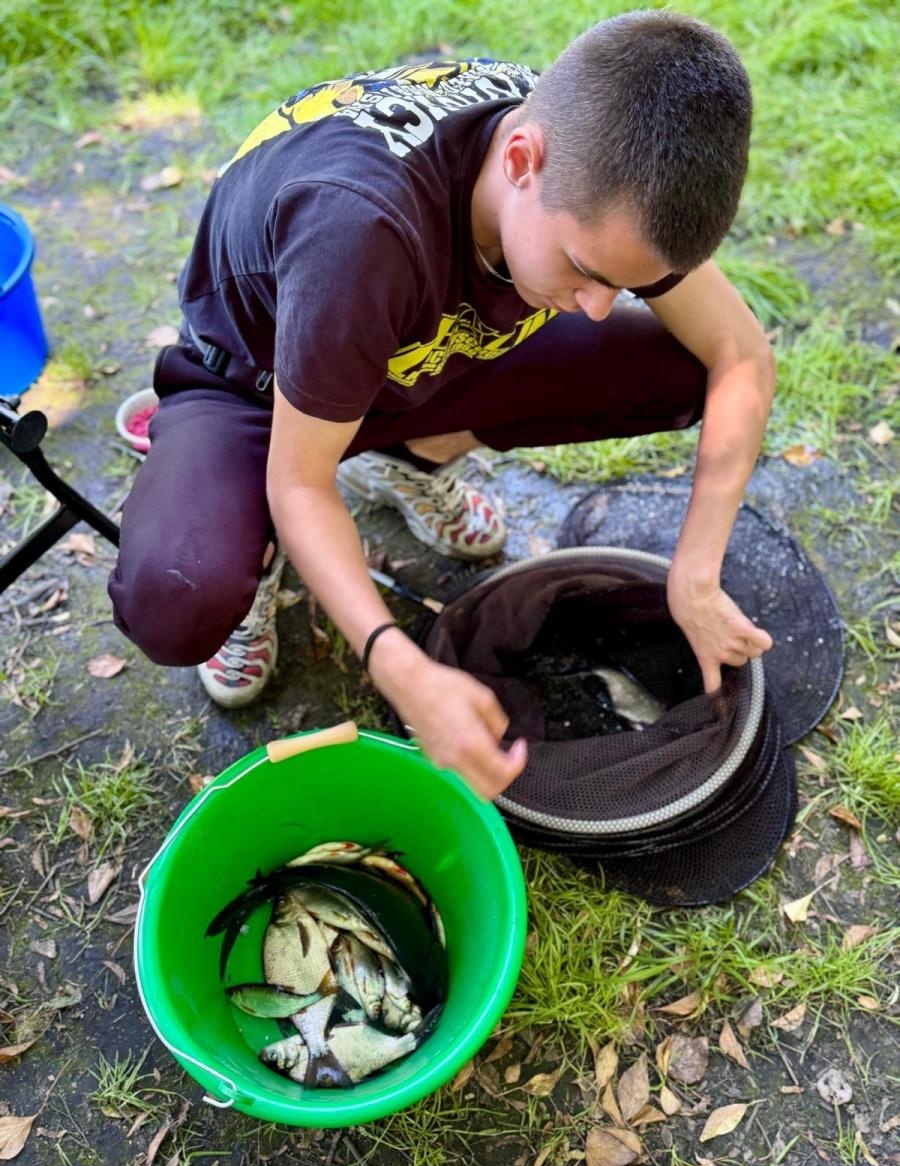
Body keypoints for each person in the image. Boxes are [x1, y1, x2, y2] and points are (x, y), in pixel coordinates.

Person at [108, 10, 775, 801]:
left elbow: (742, 356)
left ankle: (409, 456)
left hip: (414, 353)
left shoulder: (597, 162)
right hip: (262, 386)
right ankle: (251, 556)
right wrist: (398, 662)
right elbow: (302, 483)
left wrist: (694, 574)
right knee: (176, 600)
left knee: (682, 367)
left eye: (625, 284)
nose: (599, 306)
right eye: (585, 270)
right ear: (522, 159)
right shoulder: (361, 230)